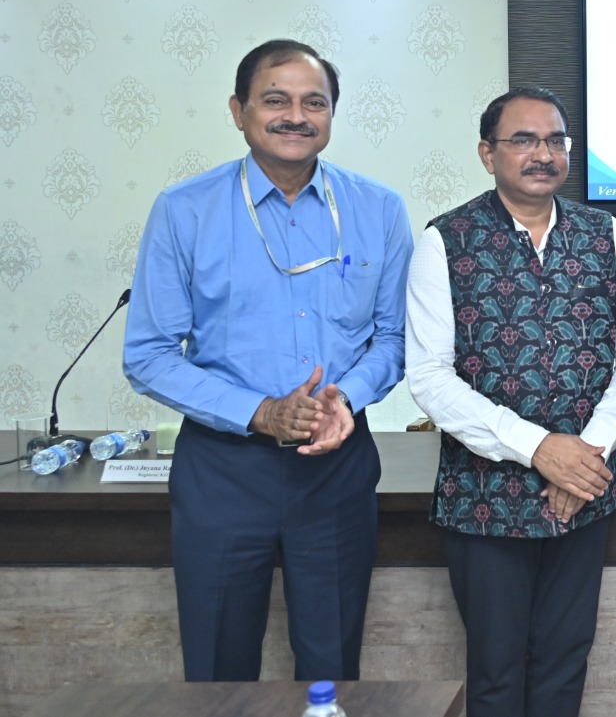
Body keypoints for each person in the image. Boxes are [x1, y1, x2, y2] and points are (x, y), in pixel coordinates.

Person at [123, 39, 412, 682]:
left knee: (331, 665)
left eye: (315, 103)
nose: (296, 117)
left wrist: (344, 400)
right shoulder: (185, 210)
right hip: (223, 470)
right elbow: (148, 354)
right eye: (275, 100)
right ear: (239, 111)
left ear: (332, 114)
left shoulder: (378, 209)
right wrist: (259, 412)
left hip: (336, 467)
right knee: (219, 667)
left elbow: (394, 339)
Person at [405, 87, 616, 717]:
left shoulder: (605, 233)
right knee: (495, 676)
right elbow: (430, 377)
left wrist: (587, 455)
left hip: (585, 494)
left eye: (555, 141)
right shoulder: (447, 240)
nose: (543, 154)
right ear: (487, 153)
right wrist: (541, 449)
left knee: (564, 666)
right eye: (523, 140)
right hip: (485, 501)